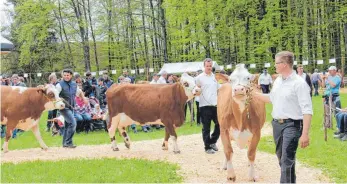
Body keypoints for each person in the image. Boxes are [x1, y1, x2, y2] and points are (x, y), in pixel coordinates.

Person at [253, 51, 312, 183]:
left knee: (286, 160)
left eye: (276, 63)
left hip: (292, 125)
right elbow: (271, 98)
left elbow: (307, 110)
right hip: (277, 125)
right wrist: (253, 94)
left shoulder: (299, 83)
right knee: (283, 159)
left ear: (284, 64)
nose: (274, 65)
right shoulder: (278, 81)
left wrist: (305, 134)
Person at [56, 69, 87, 148]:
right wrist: (59, 102)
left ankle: (65, 143)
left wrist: (84, 99)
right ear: (62, 76)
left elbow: (79, 92)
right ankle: (69, 142)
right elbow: (55, 96)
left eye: (68, 75)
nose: (66, 76)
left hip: (71, 107)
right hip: (63, 108)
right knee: (73, 123)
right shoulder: (59, 85)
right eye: (65, 75)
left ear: (71, 76)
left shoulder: (74, 84)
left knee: (68, 125)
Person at [195, 58, 220, 154]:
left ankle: (213, 141)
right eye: (207, 66)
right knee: (206, 128)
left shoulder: (215, 77)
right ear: (204, 66)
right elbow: (195, 89)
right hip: (204, 106)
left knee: (219, 124)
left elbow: (219, 90)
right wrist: (196, 91)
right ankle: (207, 147)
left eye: (210, 66)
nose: (209, 67)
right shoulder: (199, 78)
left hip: (215, 105)